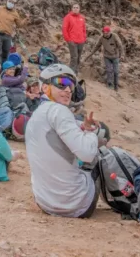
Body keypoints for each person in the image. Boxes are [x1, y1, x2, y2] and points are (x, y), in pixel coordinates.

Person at [26, 63, 104, 219]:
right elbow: (87, 154)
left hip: (44, 203)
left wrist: (83, 127)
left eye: (71, 86)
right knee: (105, 156)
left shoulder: (37, 114)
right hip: (76, 205)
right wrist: (90, 132)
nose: (68, 90)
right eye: (61, 83)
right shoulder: (59, 110)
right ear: (45, 87)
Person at [0, 0, 29, 64]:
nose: (11, 3)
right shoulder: (0, 8)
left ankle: (4, 67)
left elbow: (19, 25)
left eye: (13, 2)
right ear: (7, 0)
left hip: (8, 36)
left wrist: (26, 19)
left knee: (6, 53)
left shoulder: (15, 14)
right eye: (10, 1)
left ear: (14, 4)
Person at [86, 26, 124, 91]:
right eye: (104, 33)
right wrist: (91, 53)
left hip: (115, 56)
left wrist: (121, 55)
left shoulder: (114, 36)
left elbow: (120, 46)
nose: (105, 34)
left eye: (107, 33)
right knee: (109, 70)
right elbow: (97, 46)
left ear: (109, 32)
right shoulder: (101, 38)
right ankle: (110, 85)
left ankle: (116, 86)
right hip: (107, 56)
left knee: (116, 71)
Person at [62, 4, 87, 74]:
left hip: (81, 41)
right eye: (74, 7)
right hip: (72, 41)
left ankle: (76, 72)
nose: (75, 9)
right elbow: (64, 29)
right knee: (74, 57)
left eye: (77, 8)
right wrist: (68, 40)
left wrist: (84, 38)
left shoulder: (82, 18)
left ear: (79, 9)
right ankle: (71, 73)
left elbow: (84, 29)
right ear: (72, 9)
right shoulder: (68, 17)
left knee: (78, 57)